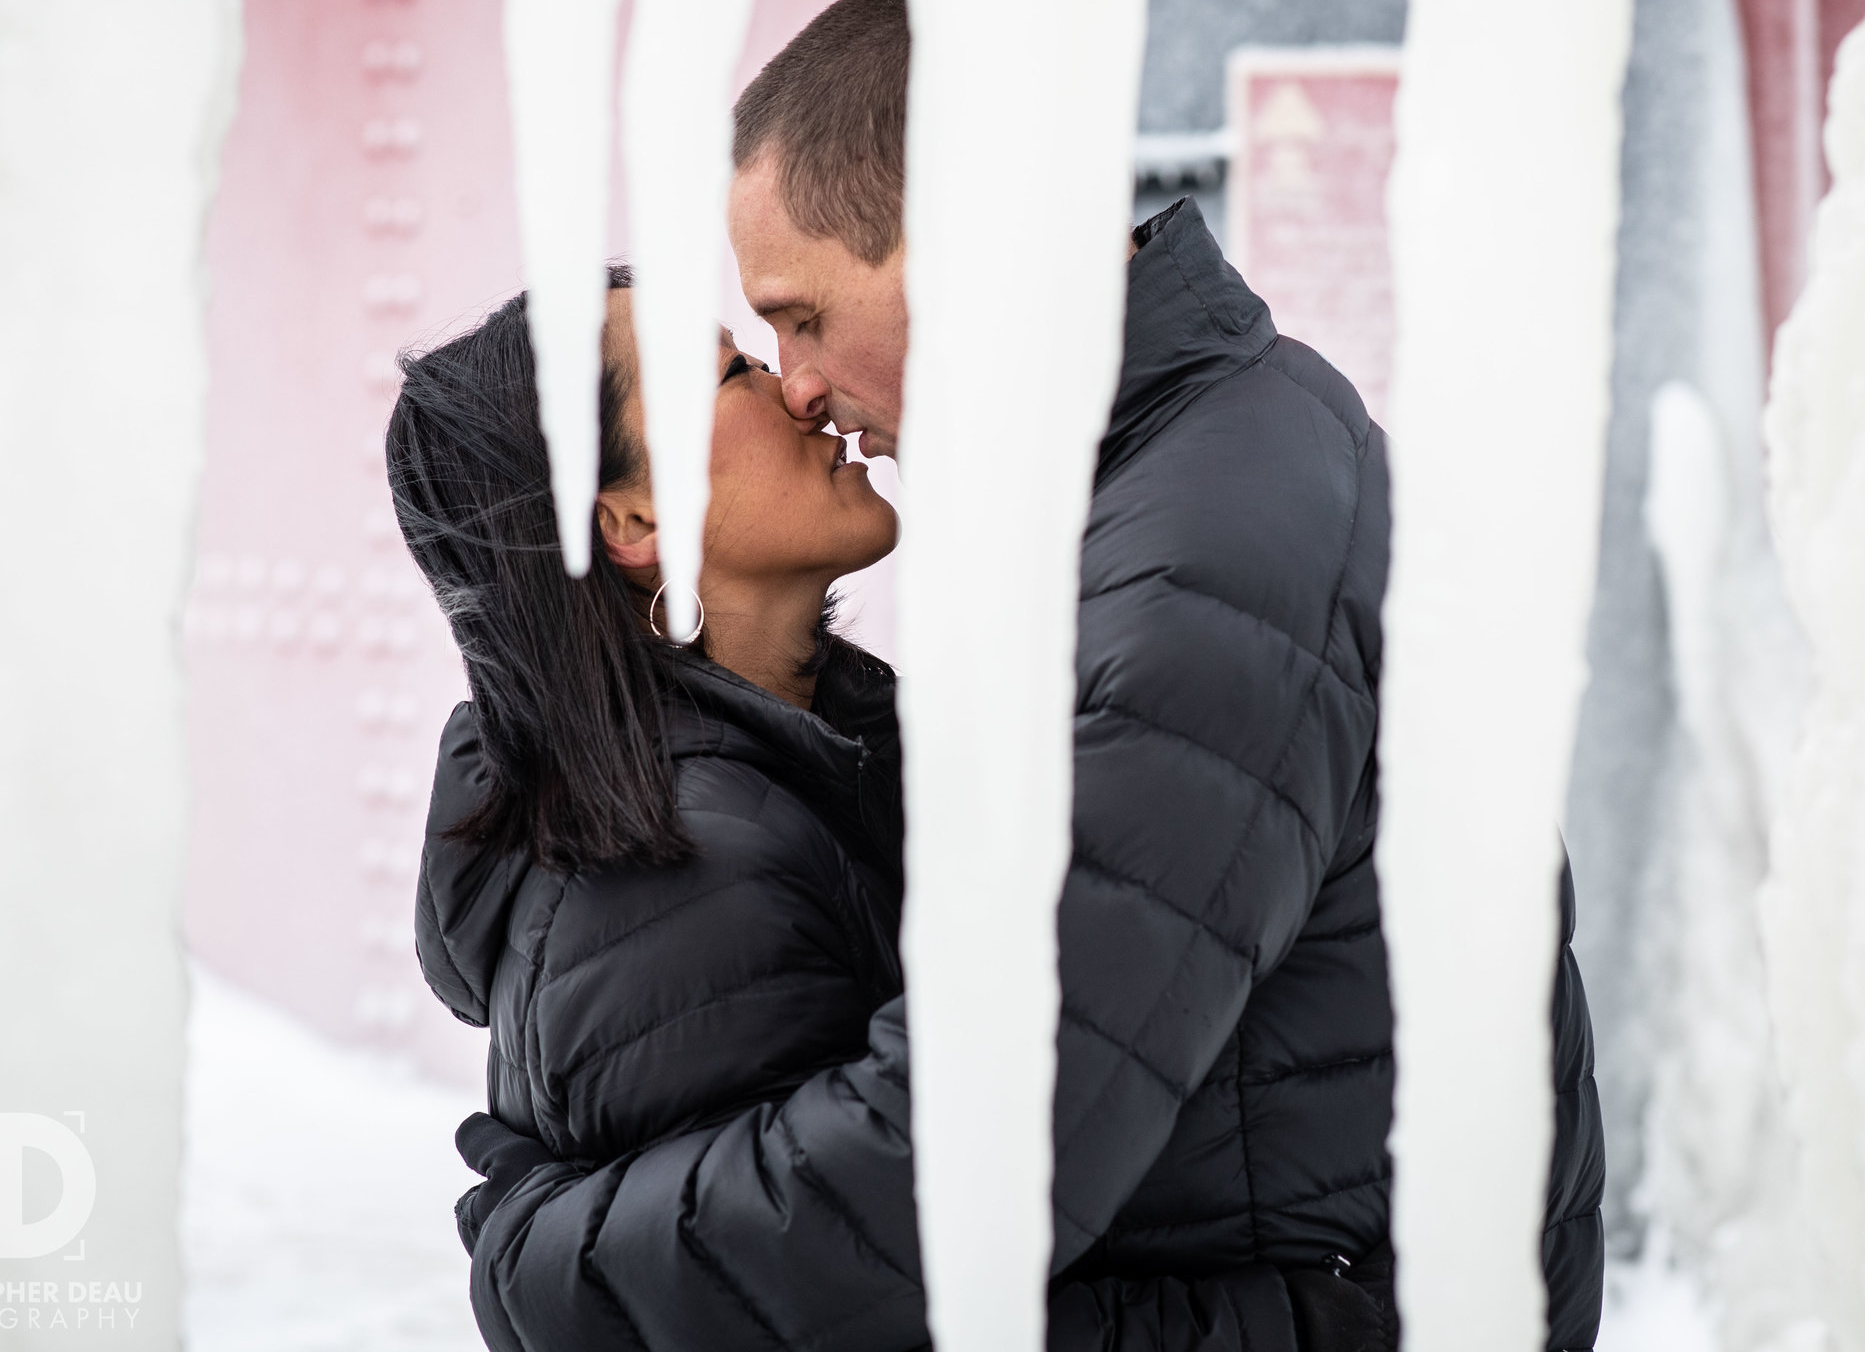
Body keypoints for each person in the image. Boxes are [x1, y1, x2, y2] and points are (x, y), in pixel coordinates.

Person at [396, 279, 1355, 1351]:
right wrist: (1296, 1323)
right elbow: (833, 1314)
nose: (799, 393)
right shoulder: (676, 877)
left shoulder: (819, 757)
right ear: (632, 517)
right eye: (734, 371)